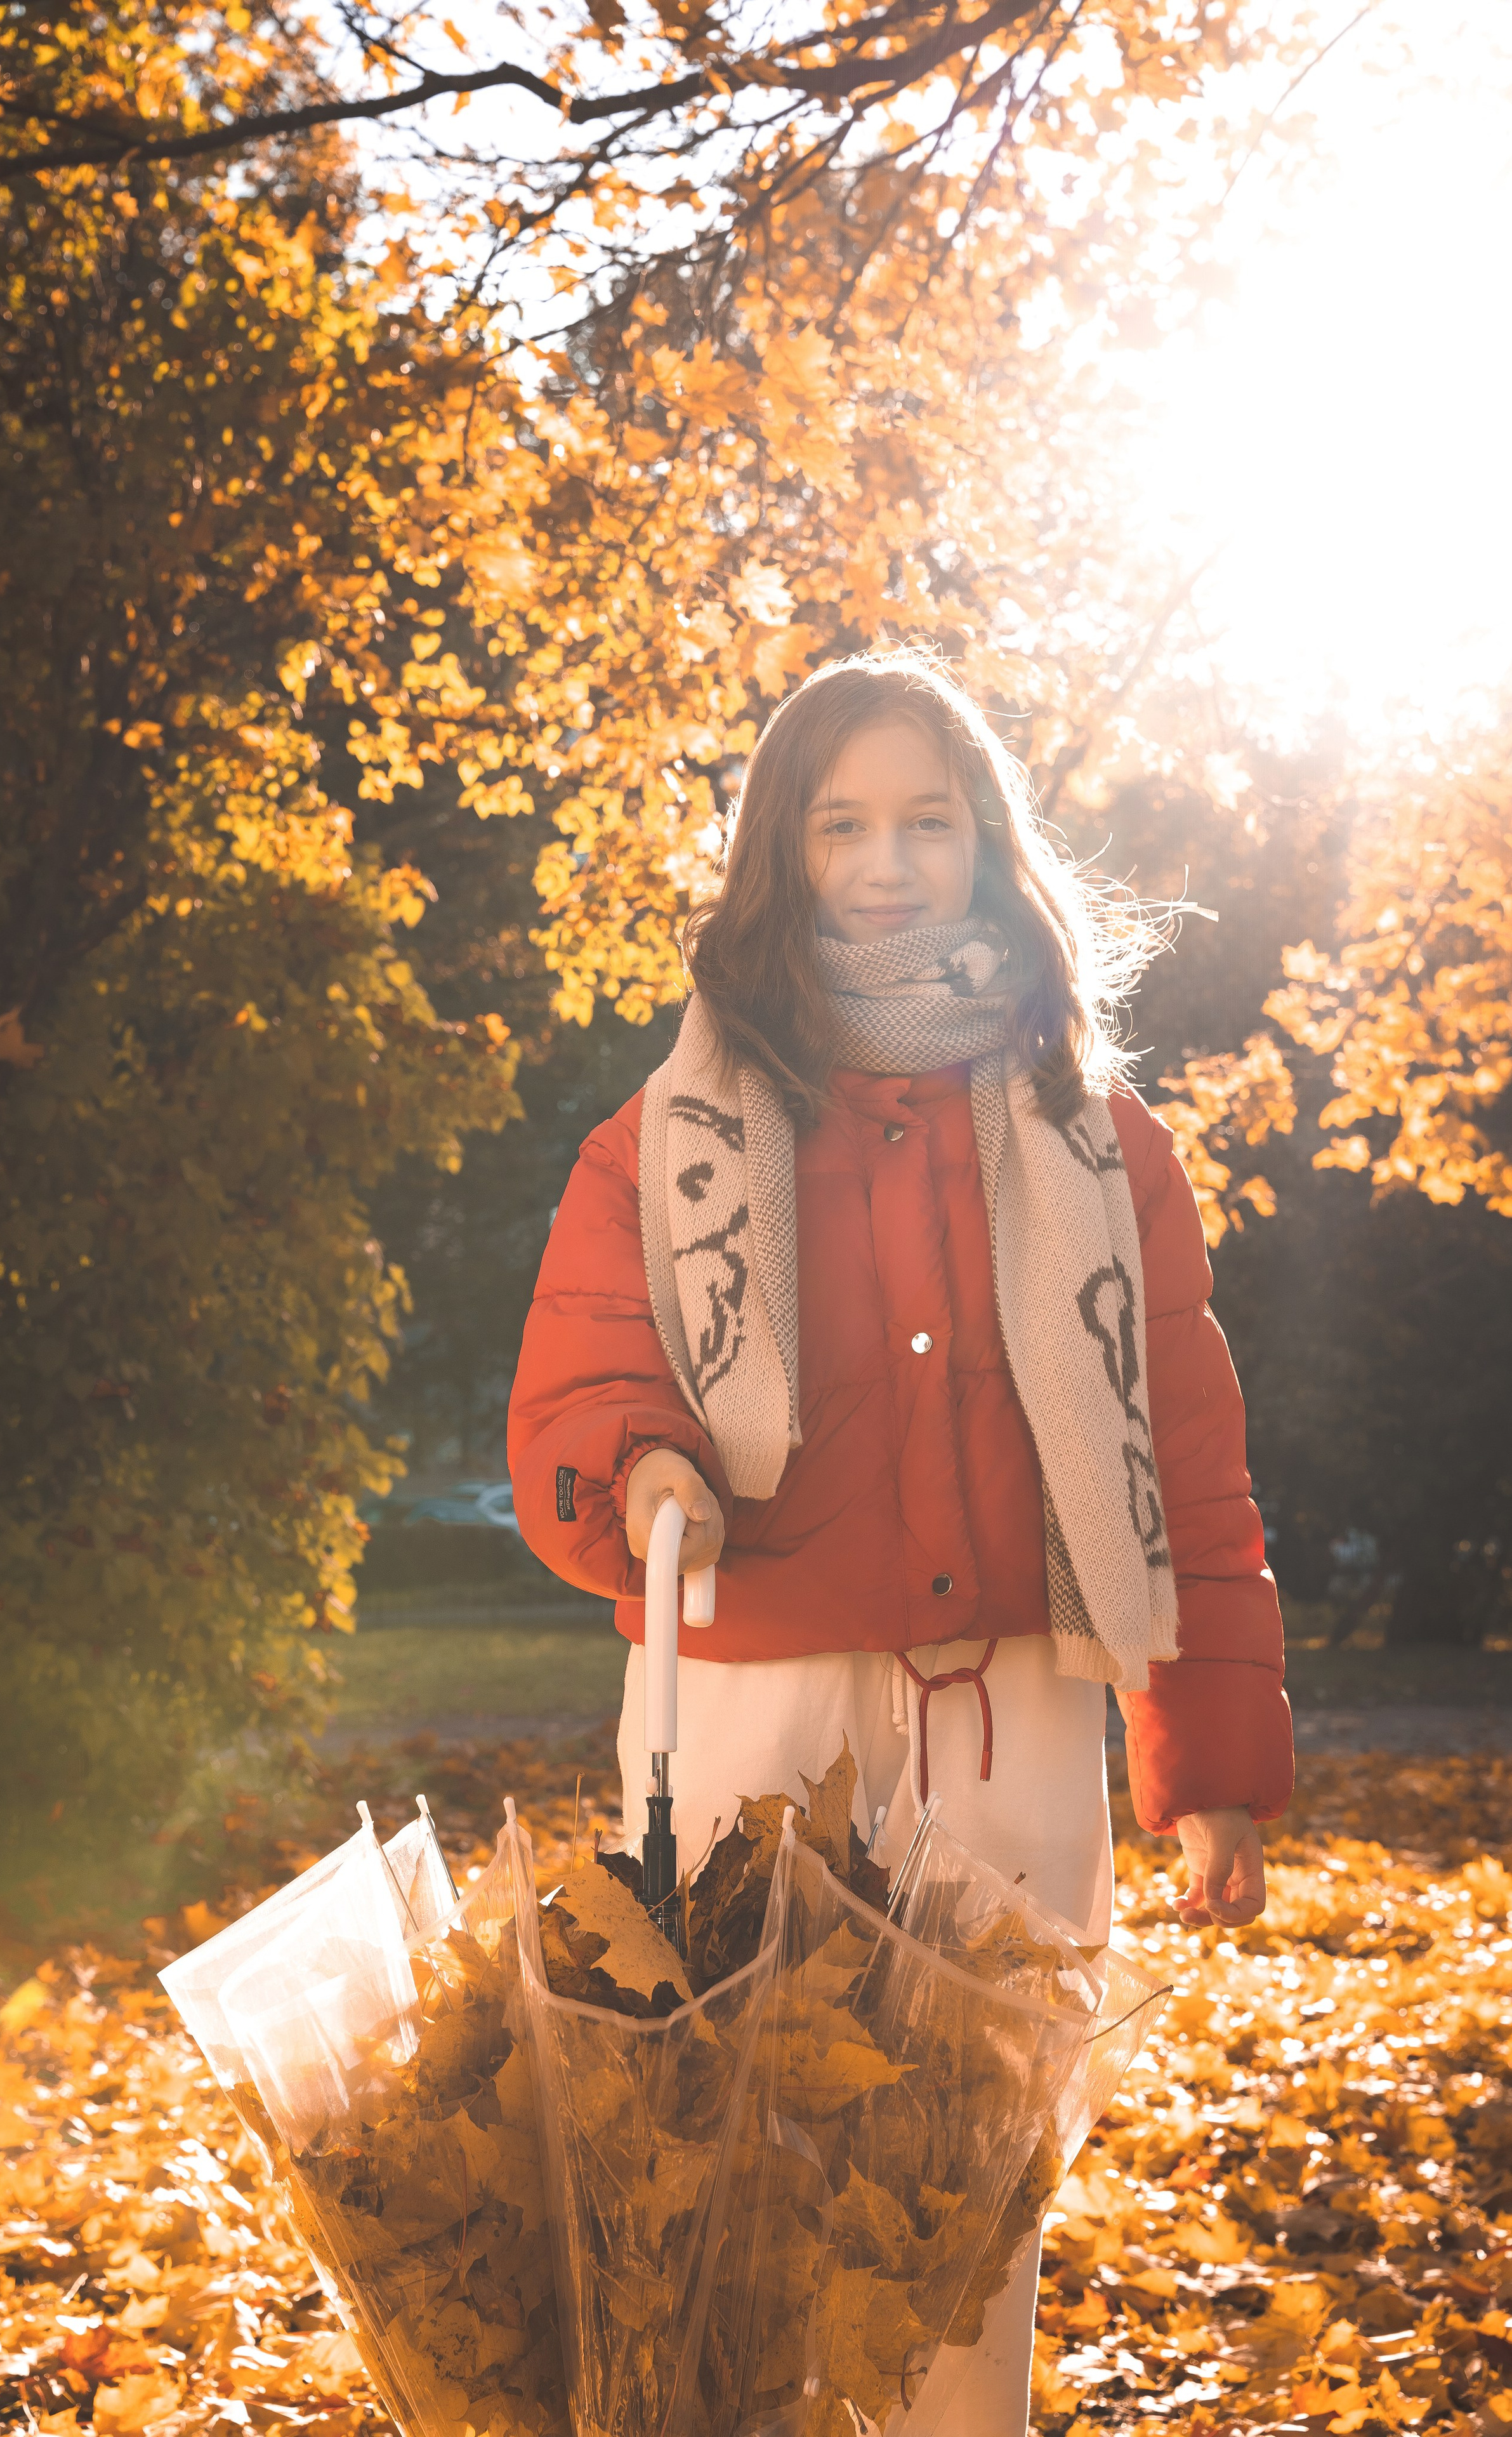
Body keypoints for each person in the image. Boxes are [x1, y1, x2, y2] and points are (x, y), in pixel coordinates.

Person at [507, 647, 1293, 2434]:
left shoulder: (1102, 1146)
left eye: (925, 821)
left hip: (1011, 1714)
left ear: (985, 846)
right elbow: (584, 1378)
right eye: (840, 821)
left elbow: (1185, 1456)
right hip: (756, 1713)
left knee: (967, 2180)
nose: (883, 858)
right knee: (737, 2158)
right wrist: (644, 1470)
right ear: (779, 856)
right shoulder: (665, 1140)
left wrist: (1211, 1764)